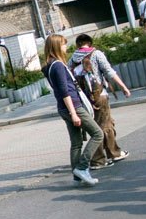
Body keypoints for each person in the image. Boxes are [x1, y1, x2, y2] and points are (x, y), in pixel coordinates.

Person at [42, 34, 103, 187]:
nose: (66, 47)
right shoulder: (57, 65)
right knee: (98, 134)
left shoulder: (49, 65)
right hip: (73, 106)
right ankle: (82, 167)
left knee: (76, 143)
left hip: (64, 108)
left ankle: (77, 177)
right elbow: (64, 91)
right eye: (63, 44)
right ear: (57, 46)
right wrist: (74, 113)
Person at [69, 33, 131, 168]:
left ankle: (103, 156)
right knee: (106, 125)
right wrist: (123, 87)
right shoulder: (96, 54)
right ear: (90, 43)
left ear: (78, 45)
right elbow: (109, 72)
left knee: (95, 127)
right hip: (99, 96)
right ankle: (108, 156)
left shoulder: (73, 58)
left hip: (85, 99)